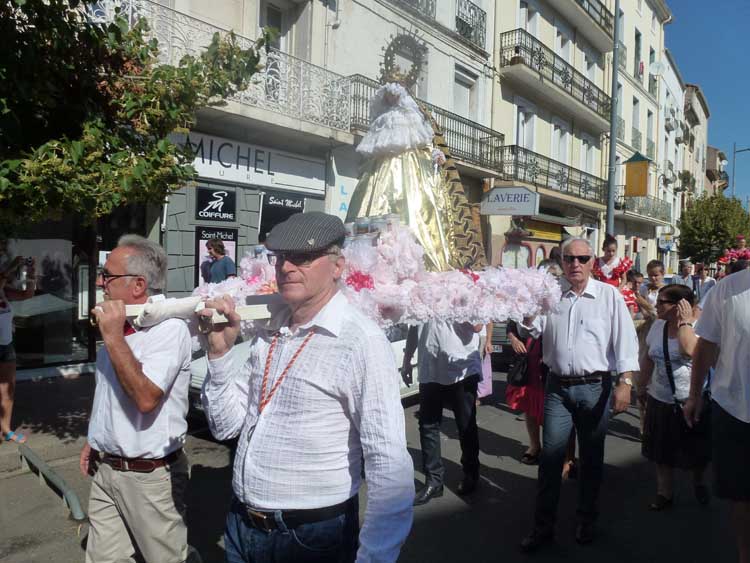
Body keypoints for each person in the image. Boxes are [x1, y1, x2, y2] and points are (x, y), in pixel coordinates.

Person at [201, 212, 414, 562]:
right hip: (242, 526)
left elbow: (389, 466)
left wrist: (374, 557)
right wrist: (219, 354)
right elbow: (225, 427)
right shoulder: (271, 331)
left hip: (310, 540)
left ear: (337, 266)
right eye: (282, 257)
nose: (286, 267)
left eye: (302, 257)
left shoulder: (360, 341)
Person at [519, 237, 639, 552]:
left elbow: (625, 341)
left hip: (595, 386)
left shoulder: (609, 296)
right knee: (550, 458)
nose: (575, 264)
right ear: (561, 259)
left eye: (582, 258)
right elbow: (532, 328)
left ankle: (586, 519)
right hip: (558, 386)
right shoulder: (552, 292)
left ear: (592, 261)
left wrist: (625, 382)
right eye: (569, 258)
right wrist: (529, 312)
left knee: (591, 457)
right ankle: (542, 528)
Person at [80, 235, 195, 563]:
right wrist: (95, 439)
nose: (100, 282)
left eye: (108, 276)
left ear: (138, 285)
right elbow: (108, 395)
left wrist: (114, 337)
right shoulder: (120, 326)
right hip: (107, 470)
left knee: (166, 558)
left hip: (150, 477)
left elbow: (145, 398)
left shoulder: (170, 330)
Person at [686, 267, 750, 563]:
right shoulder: (727, 289)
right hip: (735, 410)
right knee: (741, 496)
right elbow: (706, 346)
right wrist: (695, 394)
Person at [637, 285, 710, 511]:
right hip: (660, 397)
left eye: (663, 302)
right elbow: (649, 357)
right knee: (661, 450)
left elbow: (689, 350)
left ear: (680, 305)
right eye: (657, 301)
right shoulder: (657, 326)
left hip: (691, 399)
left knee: (695, 451)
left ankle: (698, 481)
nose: (656, 306)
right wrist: (641, 386)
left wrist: (685, 322)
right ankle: (664, 493)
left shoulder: (699, 327)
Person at [403, 319, 483, 505]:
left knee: (466, 425)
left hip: (460, 369)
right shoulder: (418, 291)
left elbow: (478, 325)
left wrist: (459, 305)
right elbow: (414, 327)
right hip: (430, 366)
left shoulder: (466, 289)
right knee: (427, 424)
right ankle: (434, 481)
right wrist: (407, 358)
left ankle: (471, 473)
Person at [505, 259, 563, 466]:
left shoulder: (562, 298)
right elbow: (512, 324)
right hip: (529, 357)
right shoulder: (527, 299)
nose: (550, 281)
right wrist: (512, 339)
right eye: (547, 276)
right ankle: (534, 445)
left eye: (554, 276)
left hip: (550, 360)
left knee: (553, 406)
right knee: (529, 405)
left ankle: (554, 448)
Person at [0, 242, 36, 444]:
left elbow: (26, 294)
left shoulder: (4, 293)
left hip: (6, 346)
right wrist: (12, 266)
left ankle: (5, 429)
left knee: (8, 389)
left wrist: (31, 273)